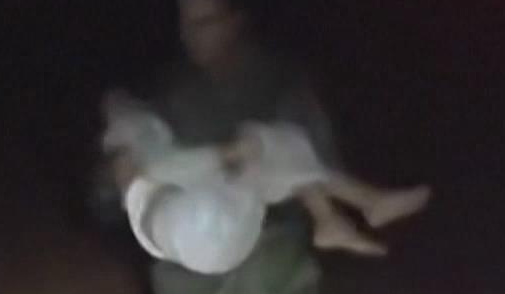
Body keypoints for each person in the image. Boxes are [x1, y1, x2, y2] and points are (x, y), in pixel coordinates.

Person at [128, 0, 374, 294]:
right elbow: (121, 187)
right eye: (184, 23)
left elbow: (318, 162)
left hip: (272, 231)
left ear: (235, 22)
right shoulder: (170, 89)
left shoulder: (281, 80)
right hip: (196, 238)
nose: (191, 35)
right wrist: (119, 172)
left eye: (204, 22)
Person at [100, 91, 430, 270]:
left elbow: (167, 167)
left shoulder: (141, 137)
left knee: (270, 151)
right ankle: (361, 207)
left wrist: (230, 156)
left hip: (202, 237)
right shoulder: (133, 137)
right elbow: (160, 167)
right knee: (260, 142)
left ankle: (333, 219)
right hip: (189, 223)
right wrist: (228, 153)